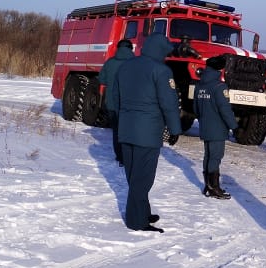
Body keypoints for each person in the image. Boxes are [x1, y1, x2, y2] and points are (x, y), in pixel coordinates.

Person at [107, 32, 182, 234]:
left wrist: (123, 118)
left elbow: (116, 96)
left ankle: (142, 212)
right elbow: (169, 104)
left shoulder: (126, 66)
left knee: (134, 176)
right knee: (143, 179)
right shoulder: (161, 71)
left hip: (126, 129)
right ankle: (136, 221)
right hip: (147, 133)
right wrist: (174, 129)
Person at [193, 55, 238, 199]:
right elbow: (225, 109)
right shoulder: (219, 87)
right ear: (220, 68)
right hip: (217, 128)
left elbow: (196, 108)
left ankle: (208, 186)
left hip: (205, 126)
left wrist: (203, 120)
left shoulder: (199, 85)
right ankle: (214, 188)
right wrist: (234, 126)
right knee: (215, 157)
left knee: (208, 156)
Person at [97, 38, 134, 163]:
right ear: (131, 49)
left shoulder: (110, 62)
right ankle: (128, 157)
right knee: (129, 131)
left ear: (118, 48)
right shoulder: (136, 63)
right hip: (130, 105)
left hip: (112, 104)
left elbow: (101, 79)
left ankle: (119, 157)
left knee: (116, 131)